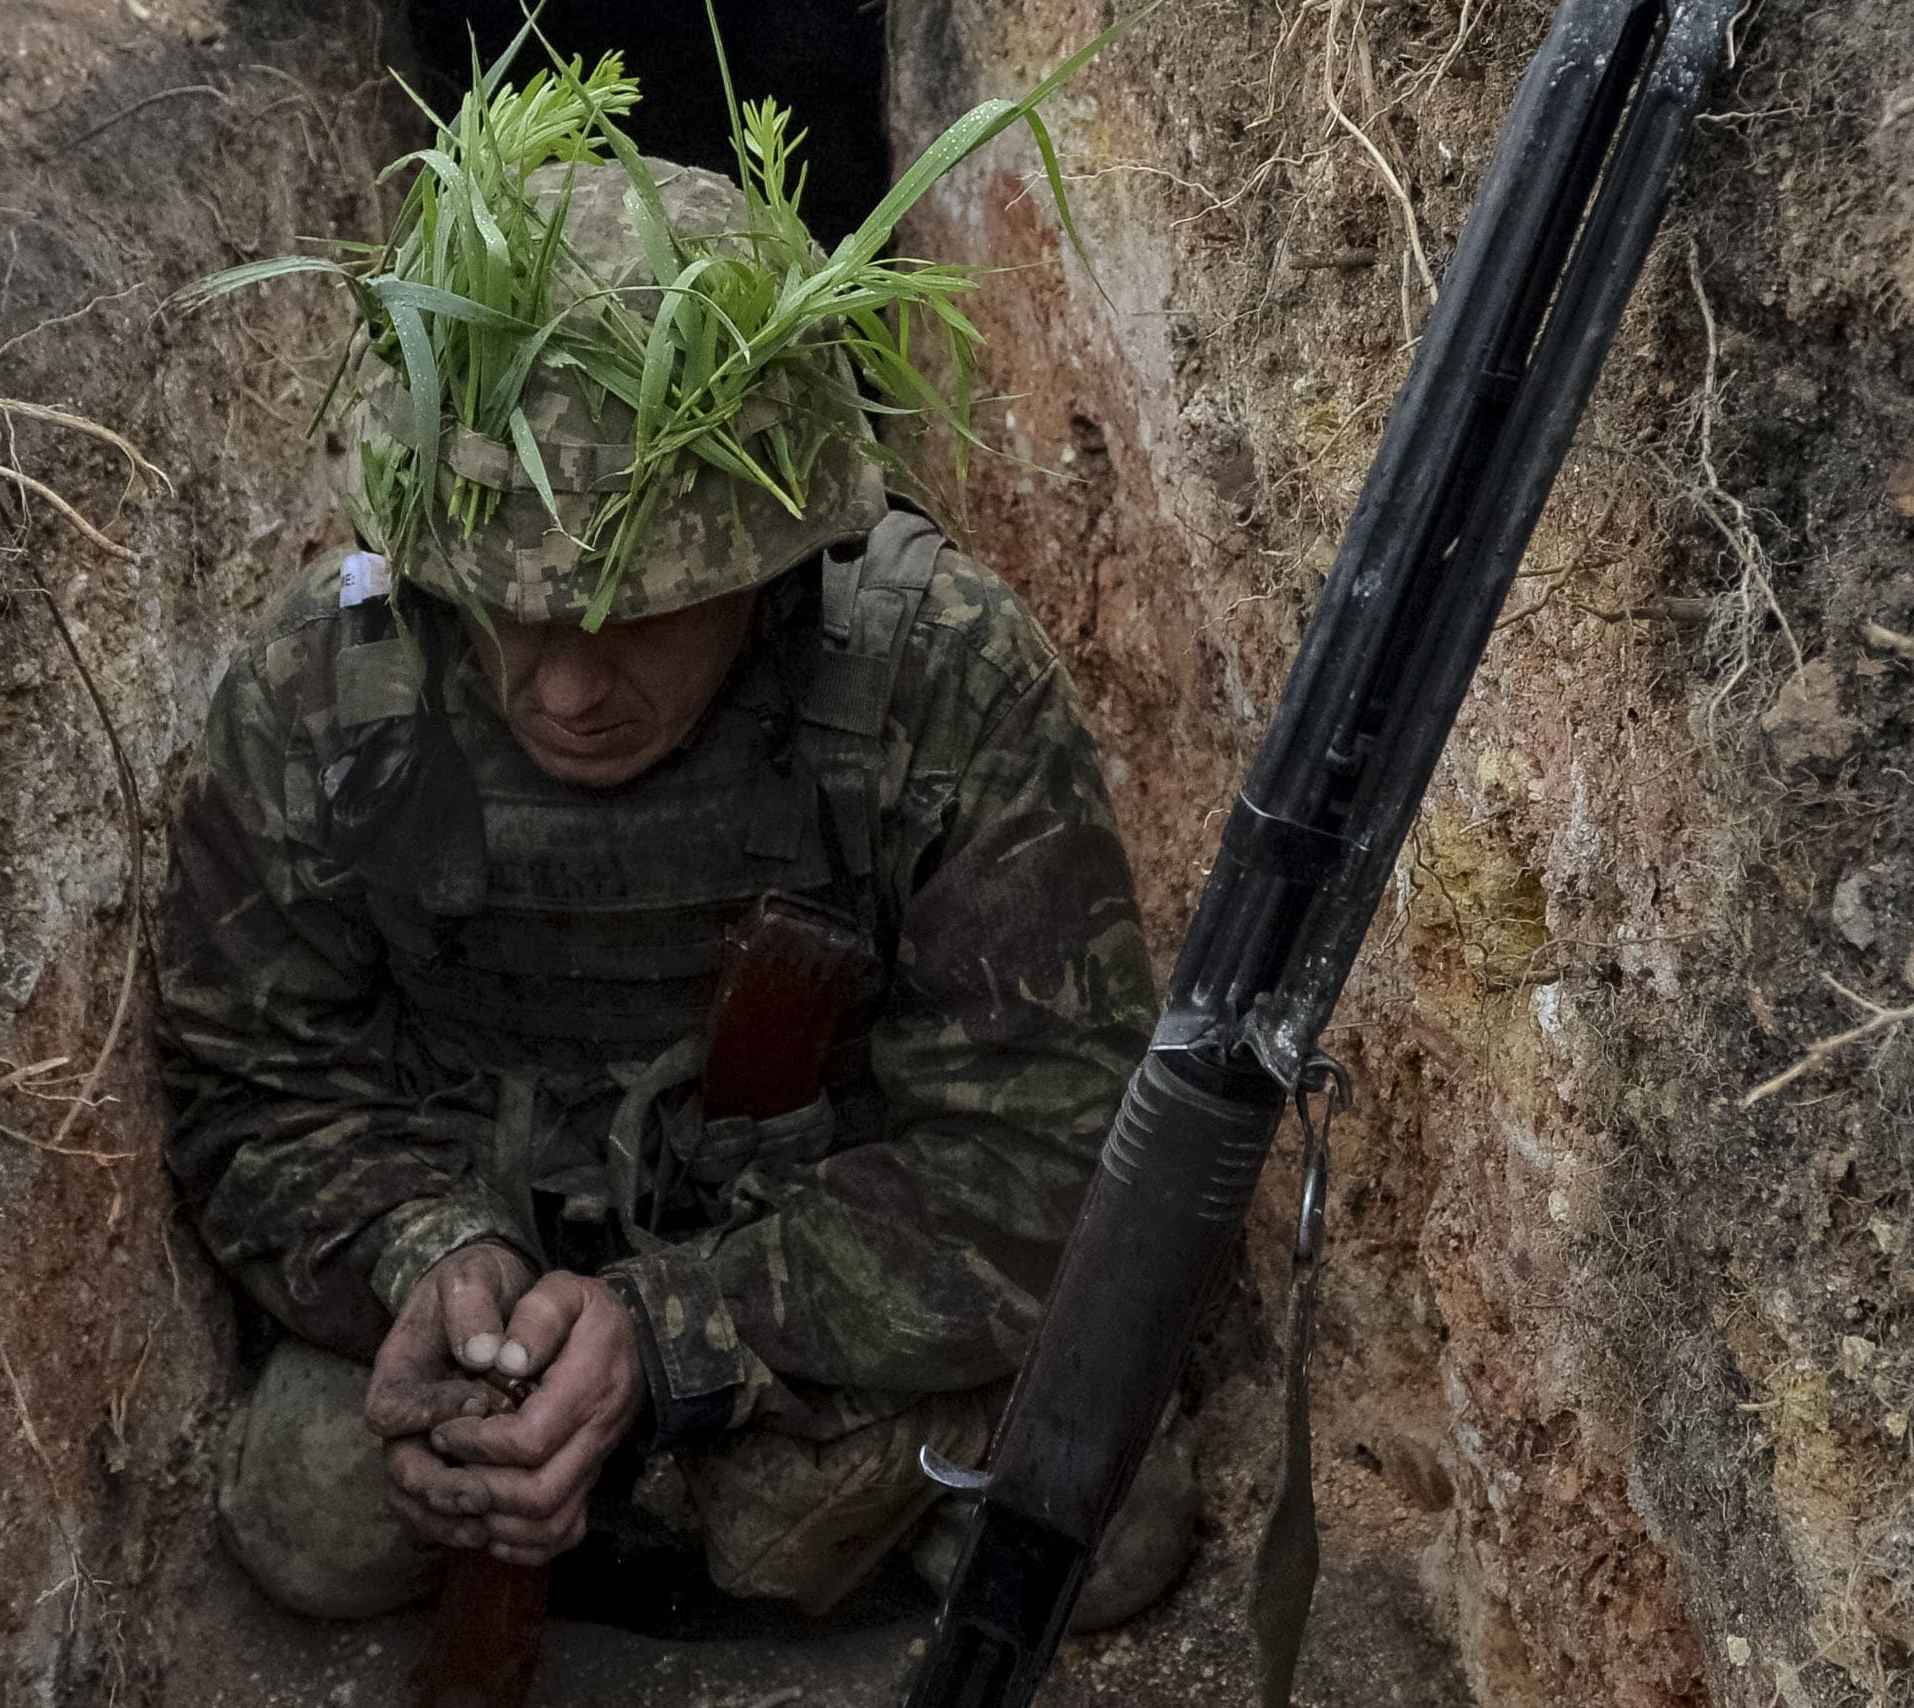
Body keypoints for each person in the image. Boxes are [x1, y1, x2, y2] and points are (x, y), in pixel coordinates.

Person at [155, 148, 1198, 1629]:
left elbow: (1048, 1154)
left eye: (642, 617)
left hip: (801, 1279)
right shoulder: (324, 689)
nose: (568, 689)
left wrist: (677, 1332)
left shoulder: (937, 676)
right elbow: (250, 1087)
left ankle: (680, 1504)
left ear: (779, 567)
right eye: (512, 612)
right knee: (317, 1513)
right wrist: (428, 1258)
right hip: (489, 1284)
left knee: (1100, 1520)